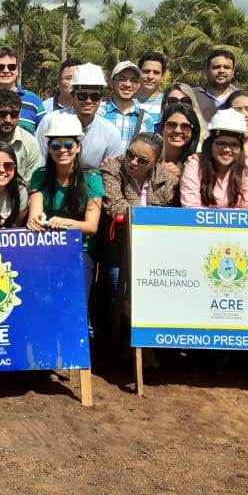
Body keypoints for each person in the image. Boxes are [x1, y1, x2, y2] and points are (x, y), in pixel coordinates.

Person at [97, 132, 178, 347]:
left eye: (142, 161)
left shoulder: (169, 180)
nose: (133, 163)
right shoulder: (112, 168)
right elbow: (115, 205)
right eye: (130, 154)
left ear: (155, 162)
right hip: (120, 247)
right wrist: (151, 217)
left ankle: (145, 345)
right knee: (118, 290)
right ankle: (125, 342)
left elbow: (174, 216)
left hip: (156, 251)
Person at [27, 112, 104, 290]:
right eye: (56, 145)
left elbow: (91, 226)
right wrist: (36, 221)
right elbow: (35, 215)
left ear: (78, 147)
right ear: (49, 148)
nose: (62, 150)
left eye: (68, 144)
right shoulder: (40, 175)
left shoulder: (91, 178)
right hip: (44, 248)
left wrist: (66, 223)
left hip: (79, 252)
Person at [35, 63, 123, 169]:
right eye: (82, 96)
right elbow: (39, 163)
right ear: (72, 96)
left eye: (95, 96)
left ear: (101, 99)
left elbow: (110, 175)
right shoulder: (49, 121)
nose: (88, 101)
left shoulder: (111, 133)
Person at [179, 109, 248, 209]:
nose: (227, 149)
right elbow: (190, 208)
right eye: (221, 143)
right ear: (210, 144)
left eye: (234, 145)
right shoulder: (195, 165)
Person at [102, 61, 149, 151]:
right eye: (122, 79)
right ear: (111, 82)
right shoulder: (98, 112)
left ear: (138, 85)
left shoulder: (145, 119)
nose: (128, 84)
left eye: (134, 80)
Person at [158, 103, 202, 179]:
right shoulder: (147, 155)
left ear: (193, 132)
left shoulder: (197, 163)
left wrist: (182, 177)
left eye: (185, 126)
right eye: (171, 125)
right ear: (162, 128)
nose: (177, 130)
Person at [194, 49, 240, 119]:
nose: (221, 71)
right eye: (216, 67)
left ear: (233, 72)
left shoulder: (242, 98)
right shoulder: (192, 96)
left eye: (226, 67)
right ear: (206, 71)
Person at [136, 52, 167, 126]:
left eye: (156, 72)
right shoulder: (127, 101)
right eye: (146, 71)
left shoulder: (167, 103)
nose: (150, 77)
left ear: (162, 76)